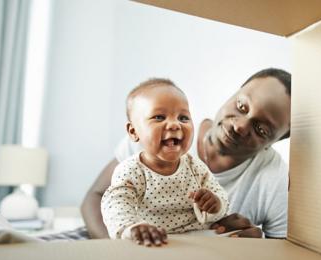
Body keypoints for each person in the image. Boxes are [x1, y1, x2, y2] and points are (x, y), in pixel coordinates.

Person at [82, 68, 291, 239]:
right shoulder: (150, 133)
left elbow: (282, 249)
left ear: (274, 142)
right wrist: (122, 251)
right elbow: (98, 197)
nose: (240, 126)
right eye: (241, 106)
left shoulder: (273, 177)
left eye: (261, 130)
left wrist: (255, 247)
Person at [101, 79, 229, 246]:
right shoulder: (131, 170)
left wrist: (215, 204)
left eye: (183, 118)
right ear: (133, 131)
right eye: (159, 117)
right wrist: (132, 227)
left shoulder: (194, 166)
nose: (175, 124)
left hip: (197, 239)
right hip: (154, 240)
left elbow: (221, 199)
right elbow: (116, 204)